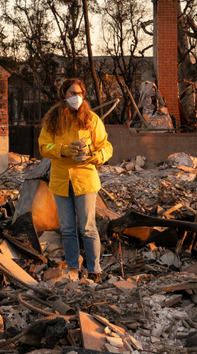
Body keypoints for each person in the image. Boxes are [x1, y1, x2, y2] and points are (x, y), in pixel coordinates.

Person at [38, 78, 113, 280]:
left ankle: (94, 270)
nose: (76, 97)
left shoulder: (92, 119)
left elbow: (106, 147)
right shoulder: (53, 120)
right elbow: (45, 147)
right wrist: (63, 150)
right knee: (68, 229)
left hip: (85, 180)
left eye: (80, 93)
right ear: (64, 95)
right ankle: (73, 268)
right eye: (72, 93)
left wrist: (94, 156)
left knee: (88, 228)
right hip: (61, 181)